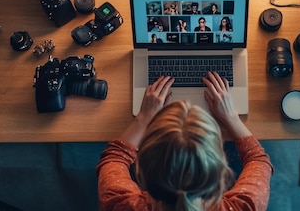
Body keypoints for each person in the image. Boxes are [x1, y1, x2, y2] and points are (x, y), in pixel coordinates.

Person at [97, 72, 273, 211]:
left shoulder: (120, 204)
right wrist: (231, 117)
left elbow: (114, 158)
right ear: (221, 177)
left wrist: (143, 118)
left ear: (140, 171)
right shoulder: (244, 206)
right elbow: (258, 160)